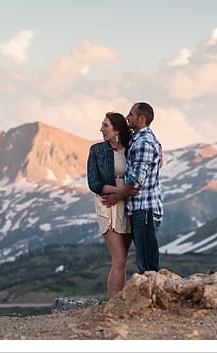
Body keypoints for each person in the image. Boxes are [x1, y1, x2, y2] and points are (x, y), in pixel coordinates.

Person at [102, 102, 163, 274]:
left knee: (147, 266)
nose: (127, 117)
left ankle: (153, 300)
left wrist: (116, 196)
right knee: (146, 262)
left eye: (131, 114)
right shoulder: (143, 140)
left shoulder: (143, 143)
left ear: (141, 119)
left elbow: (136, 182)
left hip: (144, 210)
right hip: (143, 210)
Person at [87, 111, 134, 298]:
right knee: (119, 258)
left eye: (105, 125)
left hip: (129, 204)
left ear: (117, 129)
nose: (101, 129)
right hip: (108, 204)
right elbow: (94, 184)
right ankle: (113, 304)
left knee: (123, 260)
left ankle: (119, 302)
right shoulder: (97, 150)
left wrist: (126, 193)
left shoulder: (132, 147)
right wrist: (120, 192)